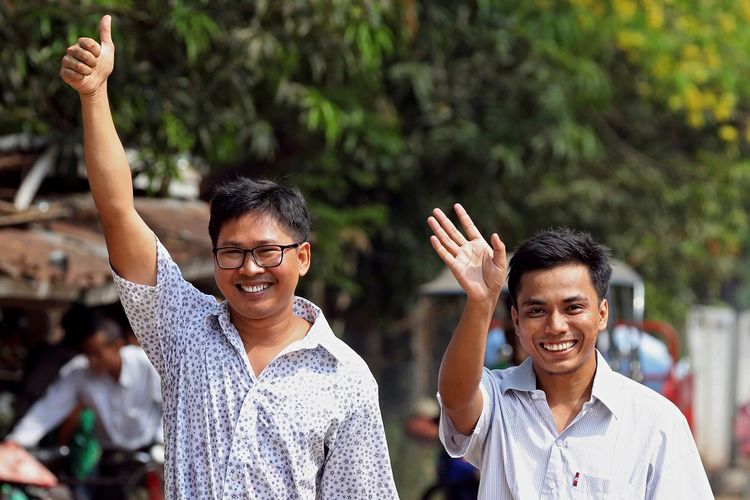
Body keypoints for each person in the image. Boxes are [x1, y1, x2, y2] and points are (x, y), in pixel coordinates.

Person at [59, 15, 398, 499]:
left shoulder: (345, 377)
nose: (250, 268)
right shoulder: (180, 328)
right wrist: (94, 96)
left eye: (267, 252)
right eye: (233, 253)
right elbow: (117, 211)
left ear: (303, 257)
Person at [427, 204, 713, 499]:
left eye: (573, 308)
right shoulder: (498, 401)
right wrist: (481, 302)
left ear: (602, 314)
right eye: (536, 310)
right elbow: (457, 400)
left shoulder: (655, 422)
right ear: (516, 320)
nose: (555, 326)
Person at [4, 309, 163, 500]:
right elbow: (47, 409)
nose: (92, 361)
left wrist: (162, 443)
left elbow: (175, 406)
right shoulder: (79, 372)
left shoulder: (147, 365)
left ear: (117, 346)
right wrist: (16, 442)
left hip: (149, 456)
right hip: (107, 458)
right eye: (88, 354)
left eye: (97, 354)